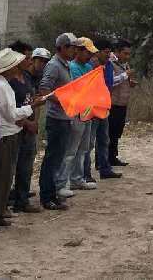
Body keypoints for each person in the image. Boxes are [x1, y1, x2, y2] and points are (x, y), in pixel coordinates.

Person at [0, 48, 44, 231]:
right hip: (5, 135)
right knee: (0, 178)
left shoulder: (2, 83)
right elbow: (11, 114)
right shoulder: (0, 85)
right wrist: (32, 107)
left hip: (8, 133)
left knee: (5, 177)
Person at [38, 32, 78, 211]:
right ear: (62, 47)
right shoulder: (54, 65)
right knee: (52, 159)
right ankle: (47, 197)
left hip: (65, 118)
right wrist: (63, 101)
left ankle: (52, 193)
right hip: (56, 119)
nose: (74, 51)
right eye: (72, 47)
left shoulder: (66, 65)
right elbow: (44, 89)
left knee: (58, 158)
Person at [58, 36, 99, 193]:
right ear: (78, 50)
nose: (90, 56)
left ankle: (77, 179)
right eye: (87, 52)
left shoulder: (88, 67)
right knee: (71, 150)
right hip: (76, 112)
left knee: (84, 148)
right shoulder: (72, 67)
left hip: (87, 111)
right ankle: (62, 183)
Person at [7, 40, 43, 213]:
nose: (30, 61)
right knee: (9, 169)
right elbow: (10, 110)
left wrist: (35, 121)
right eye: (26, 58)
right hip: (15, 130)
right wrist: (27, 123)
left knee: (26, 166)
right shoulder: (9, 81)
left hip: (29, 129)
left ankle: (22, 200)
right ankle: (4, 203)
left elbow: (33, 100)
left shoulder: (26, 77)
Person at [89, 39, 122, 180]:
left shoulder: (108, 66)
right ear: (98, 52)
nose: (108, 55)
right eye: (106, 52)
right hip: (92, 107)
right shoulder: (91, 66)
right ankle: (85, 174)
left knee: (104, 139)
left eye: (109, 52)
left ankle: (104, 168)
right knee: (89, 142)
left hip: (104, 106)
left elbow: (111, 83)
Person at [109, 39, 136, 167]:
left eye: (128, 54)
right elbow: (111, 81)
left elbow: (124, 79)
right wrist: (125, 75)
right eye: (125, 53)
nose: (127, 56)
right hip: (112, 103)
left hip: (122, 103)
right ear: (117, 52)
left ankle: (113, 157)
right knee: (110, 132)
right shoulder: (110, 64)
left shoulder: (126, 65)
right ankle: (104, 159)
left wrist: (130, 82)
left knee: (117, 132)